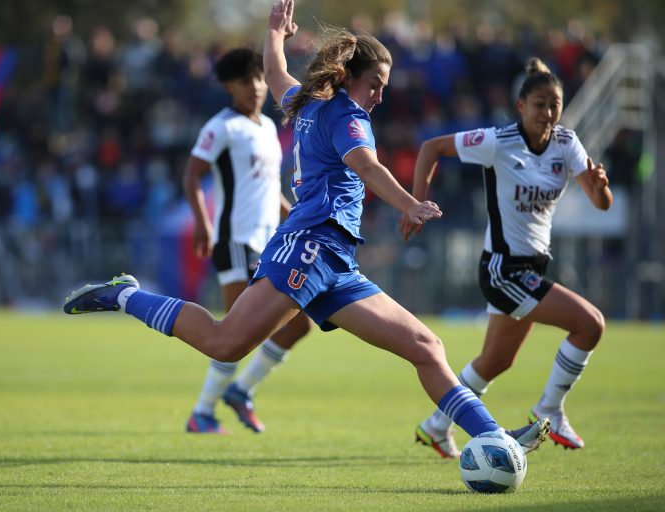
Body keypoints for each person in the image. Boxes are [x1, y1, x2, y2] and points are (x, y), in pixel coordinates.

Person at [63, 0, 549, 456]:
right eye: (376, 83)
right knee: (224, 342)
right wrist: (412, 203)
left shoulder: (306, 102)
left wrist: (274, 33)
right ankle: (123, 295)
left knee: (426, 346)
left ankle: (494, 438)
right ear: (350, 77)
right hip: (309, 249)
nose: (381, 94)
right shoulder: (346, 115)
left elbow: (274, 72)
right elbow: (369, 168)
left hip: (334, 261)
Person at [412, 57, 612, 458]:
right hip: (504, 269)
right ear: (520, 106)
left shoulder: (566, 144)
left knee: (495, 361)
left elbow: (600, 202)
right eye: (539, 103)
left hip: (534, 267)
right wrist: (415, 204)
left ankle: (436, 425)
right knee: (590, 325)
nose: (548, 112)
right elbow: (431, 147)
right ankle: (550, 409)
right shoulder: (497, 141)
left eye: (554, 104)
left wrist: (600, 186)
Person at [182, 48, 312, 434]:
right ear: (228, 87)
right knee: (236, 333)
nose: (255, 87)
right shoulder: (221, 127)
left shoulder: (269, 129)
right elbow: (192, 176)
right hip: (236, 240)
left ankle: (240, 391)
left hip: (270, 242)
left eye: (259, 79)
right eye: (245, 81)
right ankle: (202, 412)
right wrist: (203, 224)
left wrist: (295, 216)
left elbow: (269, 187)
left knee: (298, 325)